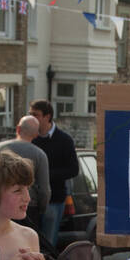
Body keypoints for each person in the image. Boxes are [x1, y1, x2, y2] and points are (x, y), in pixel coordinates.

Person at [29, 100, 79, 249]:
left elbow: (73, 169)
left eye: (35, 115)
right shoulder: (30, 139)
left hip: (54, 199)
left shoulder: (64, 140)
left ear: (47, 116)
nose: (32, 118)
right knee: (30, 241)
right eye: (30, 114)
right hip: (31, 200)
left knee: (48, 241)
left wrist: (45, 175)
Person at [0, 115, 50, 237]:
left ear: (18, 129)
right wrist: (41, 209)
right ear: (36, 135)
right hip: (28, 208)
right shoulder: (40, 155)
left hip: (2, 206)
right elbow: (45, 189)